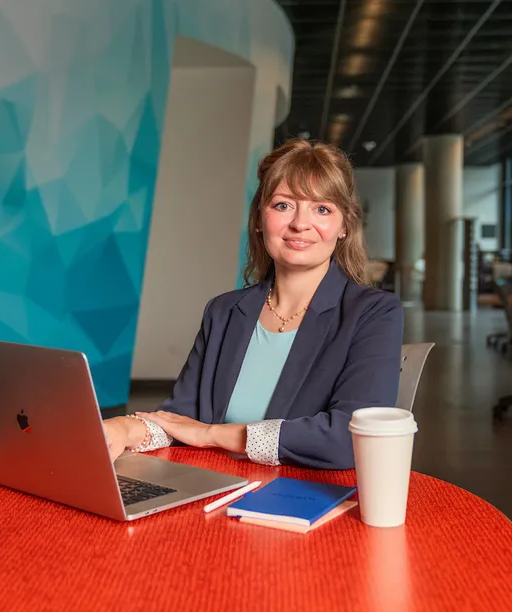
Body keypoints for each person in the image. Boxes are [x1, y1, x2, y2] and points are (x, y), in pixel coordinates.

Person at [101, 138, 404, 469]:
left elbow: (352, 436)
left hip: (301, 498)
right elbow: (180, 418)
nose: (300, 223)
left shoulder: (373, 313)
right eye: (283, 205)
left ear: (344, 225)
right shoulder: (224, 311)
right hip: (212, 486)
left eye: (322, 209)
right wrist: (125, 427)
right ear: (260, 219)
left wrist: (214, 435)